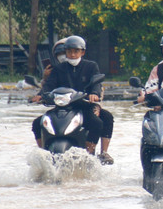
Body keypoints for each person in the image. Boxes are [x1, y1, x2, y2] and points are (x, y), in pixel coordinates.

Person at [33, 35, 115, 164]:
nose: (72, 54)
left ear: (82, 52)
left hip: (84, 106)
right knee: (38, 123)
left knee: (103, 120)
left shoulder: (91, 66)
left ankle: (95, 153)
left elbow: (96, 84)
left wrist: (94, 94)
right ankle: (43, 153)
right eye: (69, 51)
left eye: (76, 51)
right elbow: (49, 85)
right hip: (62, 107)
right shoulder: (58, 68)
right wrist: (40, 95)